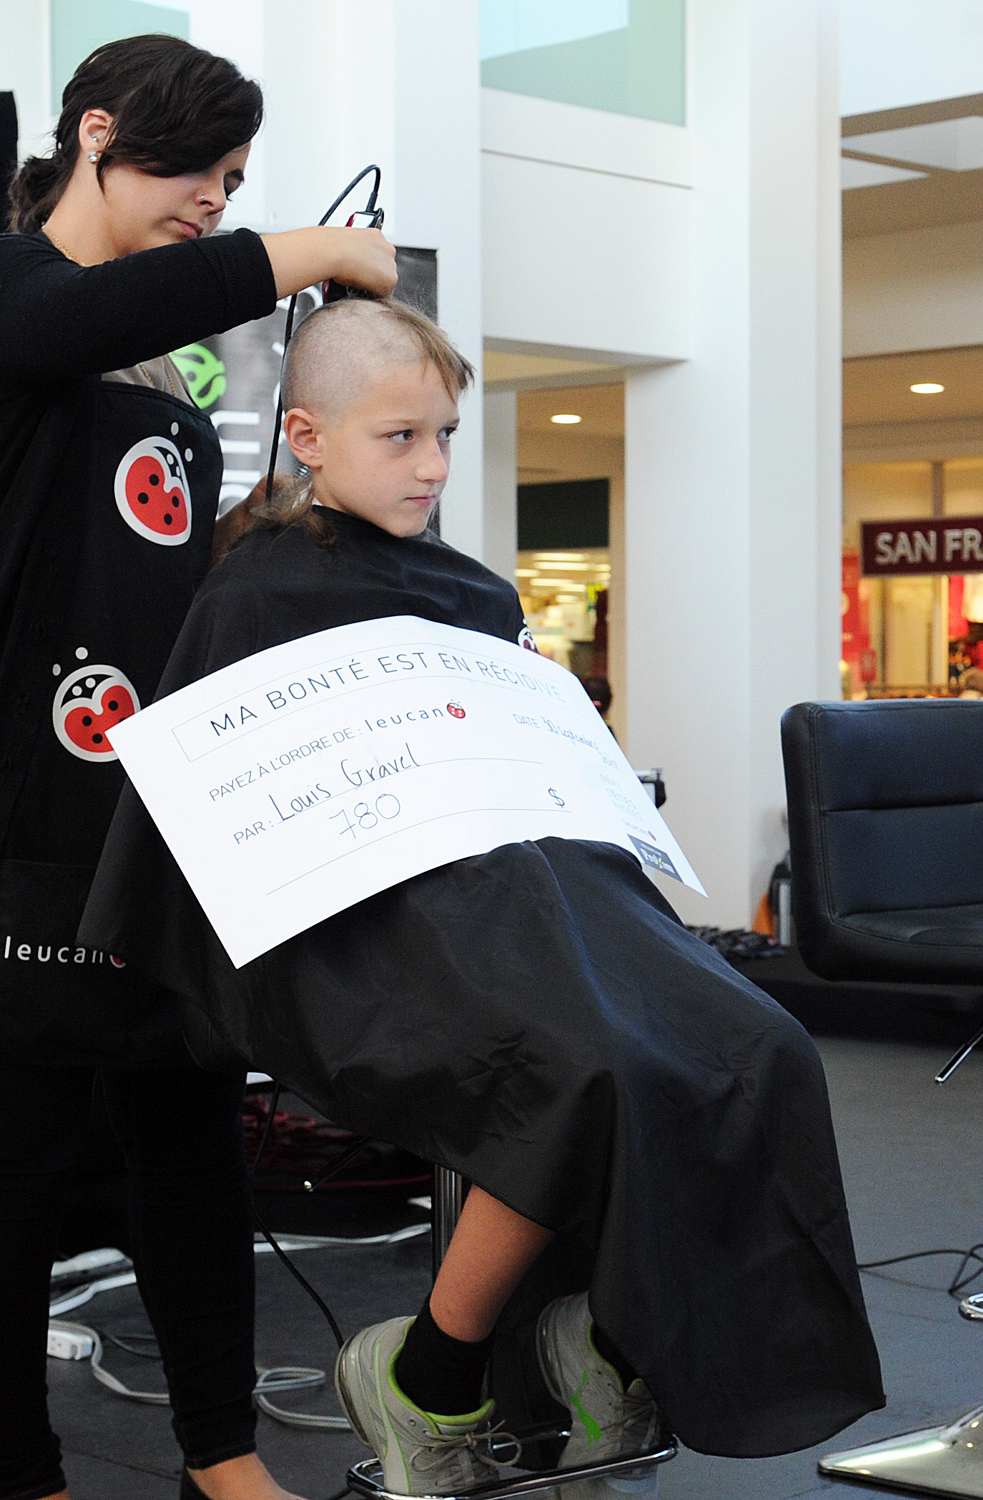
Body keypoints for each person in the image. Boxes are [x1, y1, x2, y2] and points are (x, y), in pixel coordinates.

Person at [82, 299, 884, 1497]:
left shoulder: (471, 591)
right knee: (576, 1070)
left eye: (446, 435)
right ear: (305, 434)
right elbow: (205, 833)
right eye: (398, 437)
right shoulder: (248, 597)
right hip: (374, 936)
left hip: (541, 900)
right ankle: (431, 1376)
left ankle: (601, 1341)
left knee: (759, 1046)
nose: (434, 466)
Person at [0, 36, 399, 1500]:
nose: (213, 204)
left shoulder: (168, 364)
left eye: (235, 184)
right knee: (13, 1154)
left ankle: (220, 1458)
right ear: (97, 133)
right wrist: (307, 249)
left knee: (191, 1144)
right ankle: (16, 1476)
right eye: (194, 172)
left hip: (150, 814)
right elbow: (118, 303)